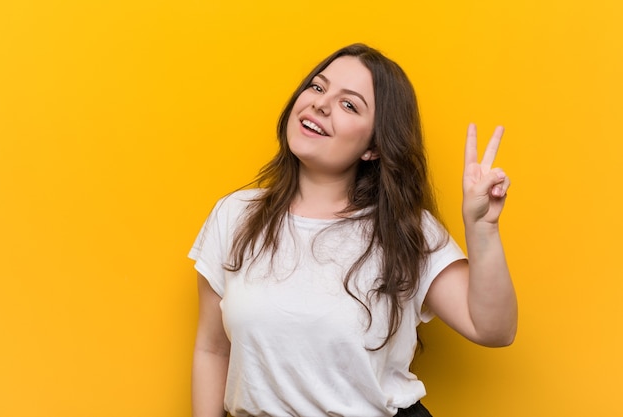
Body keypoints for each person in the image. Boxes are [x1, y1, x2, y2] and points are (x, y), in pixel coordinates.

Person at [188, 43, 517, 417]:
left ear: (374, 147)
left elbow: (493, 330)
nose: (320, 104)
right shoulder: (235, 216)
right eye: (316, 87)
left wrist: (482, 228)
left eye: (349, 105)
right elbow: (213, 349)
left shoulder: (404, 230)